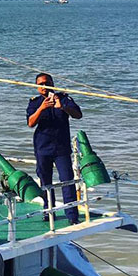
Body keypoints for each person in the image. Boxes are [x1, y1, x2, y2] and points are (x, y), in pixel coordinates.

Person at [26, 73, 82, 224]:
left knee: (67, 180)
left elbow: (78, 115)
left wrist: (62, 107)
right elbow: (31, 123)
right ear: (37, 87)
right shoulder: (35, 102)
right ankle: (48, 212)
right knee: (45, 181)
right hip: (42, 147)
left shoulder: (63, 98)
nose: (45, 87)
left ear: (52, 84)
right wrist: (42, 108)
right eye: (41, 84)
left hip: (61, 147)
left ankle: (72, 215)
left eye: (47, 83)